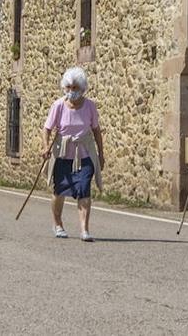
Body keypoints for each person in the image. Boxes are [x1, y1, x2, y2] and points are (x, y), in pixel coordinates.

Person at [41, 66, 105, 242]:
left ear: (83, 89)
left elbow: (97, 131)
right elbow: (47, 129)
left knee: (84, 189)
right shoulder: (58, 106)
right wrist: (46, 147)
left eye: (75, 88)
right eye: (68, 87)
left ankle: (84, 229)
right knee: (59, 190)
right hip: (62, 155)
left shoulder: (90, 106)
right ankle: (58, 224)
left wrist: (101, 154)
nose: (71, 91)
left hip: (84, 155)